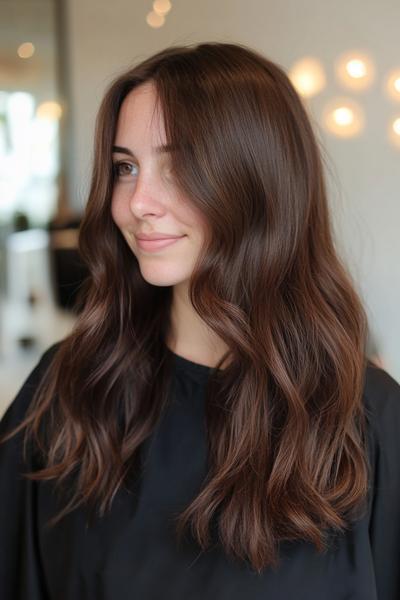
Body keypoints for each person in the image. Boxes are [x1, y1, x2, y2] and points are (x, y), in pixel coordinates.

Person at [1, 41, 400, 600]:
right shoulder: (71, 386)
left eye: (180, 164)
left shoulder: (368, 421)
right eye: (125, 167)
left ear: (260, 182)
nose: (138, 201)